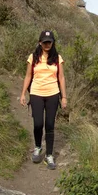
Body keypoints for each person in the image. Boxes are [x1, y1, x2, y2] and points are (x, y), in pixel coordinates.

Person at [20, 30, 67, 170]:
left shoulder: (57, 58)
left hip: (53, 94)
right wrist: (23, 94)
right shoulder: (33, 57)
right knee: (38, 123)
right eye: (45, 42)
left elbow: (61, 78)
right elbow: (28, 76)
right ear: (40, 42)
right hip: (36, 93)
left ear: (53, 43)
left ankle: (49, 155)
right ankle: (38, 146)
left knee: (50, 125)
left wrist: (64, 97)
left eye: (49, 42)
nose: (47, 44)